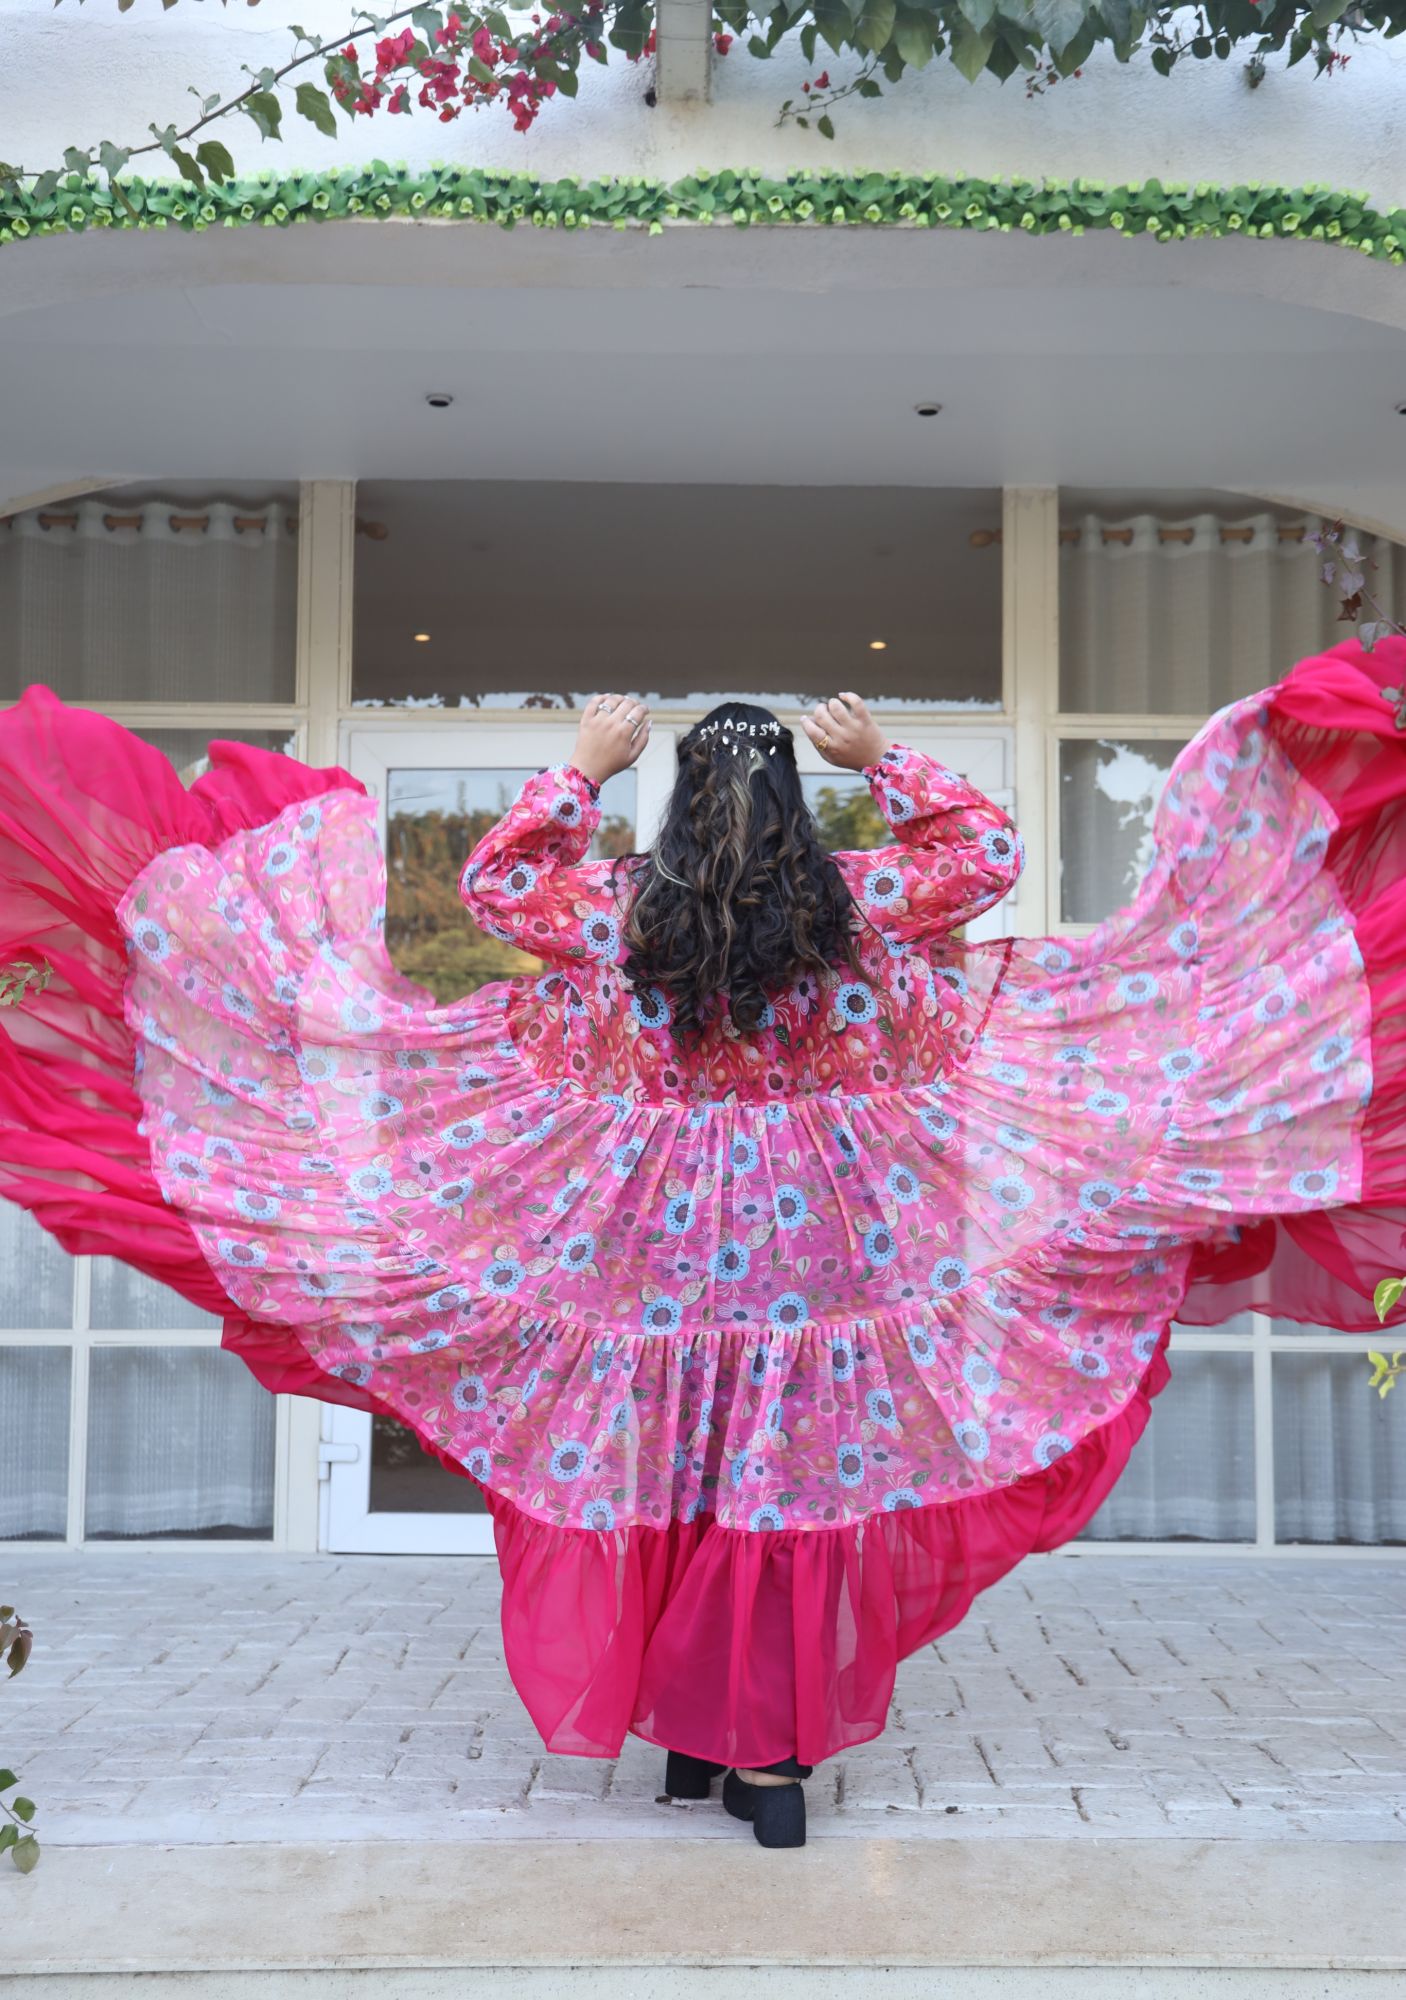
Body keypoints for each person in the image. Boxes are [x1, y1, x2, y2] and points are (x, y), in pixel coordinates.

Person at [1, 651, 1404, 1849]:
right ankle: (767, 1765)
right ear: (797, 798)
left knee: (672, 1466)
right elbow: (985, 856)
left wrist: (581, 769)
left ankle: (690, 1744)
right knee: (781, 1486)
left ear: (679, 798)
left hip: (657, 1262)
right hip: (814, 1267)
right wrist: (883, 758)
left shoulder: (618, 909)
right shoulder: (857, 902)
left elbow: (494, 884)